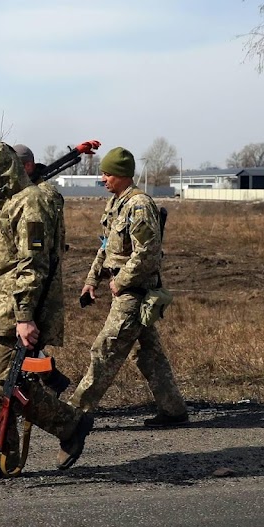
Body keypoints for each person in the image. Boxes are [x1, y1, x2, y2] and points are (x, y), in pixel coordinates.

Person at [0, 142, 93, 478]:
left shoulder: (31, 202)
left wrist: (24, 317)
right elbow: (12, 256)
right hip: (0, 305)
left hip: (16, 310)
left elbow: (33, 264)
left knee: (6, 382)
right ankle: (0, 455)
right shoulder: (12, 203)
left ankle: (70, 424)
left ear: (4, 171)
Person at [65, 146, 189, 426]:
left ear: (122, 175)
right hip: (125, 289)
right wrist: (91, 280)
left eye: (107, 174)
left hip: (135, 293)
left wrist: (120, 282)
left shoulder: (140, 205)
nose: (103, 178)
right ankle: (174, 410)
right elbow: (107, 247)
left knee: (105, 349)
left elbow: (148, 252)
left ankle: (74, 414)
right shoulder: (117, 204)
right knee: (149, 353)